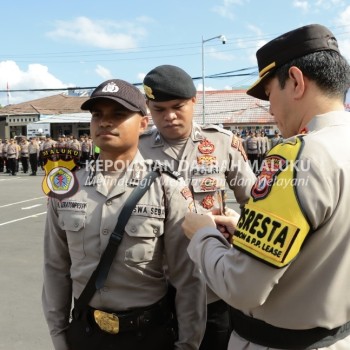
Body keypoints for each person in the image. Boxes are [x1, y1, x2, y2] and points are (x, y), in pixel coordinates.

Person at [181, 23, 350, 350]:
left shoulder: (296, 156)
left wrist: (202, 233)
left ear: (297, 82)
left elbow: (240, 287)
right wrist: (247, 229)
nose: (270, 110)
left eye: (270, 93)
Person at [42, 78, 206, 350]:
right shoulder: (67, 188)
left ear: (143, 123)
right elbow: (55, 269)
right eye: (98, 115)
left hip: (148, 335)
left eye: (119, 114)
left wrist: (187, 344)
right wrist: (60, 336)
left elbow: (188, 279)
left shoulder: (167, 188)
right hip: (85, 334)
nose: (105, 122)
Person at [139, 64, 256, 350]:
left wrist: (239, 227)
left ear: (194, 101)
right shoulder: (136, 149)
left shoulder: (221, 143)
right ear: (148, 108)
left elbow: (254, 203)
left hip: (212, 282)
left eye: (178, 106)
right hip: (157, 282)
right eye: (159, 109)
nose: (169, 116)